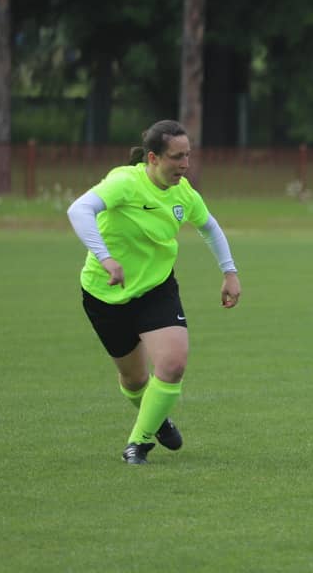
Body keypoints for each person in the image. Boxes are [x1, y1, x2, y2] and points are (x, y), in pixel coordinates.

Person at [67, 120, 241, 465]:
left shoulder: (184, 193)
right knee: (134, 380)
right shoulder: (125, 182)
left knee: (173, 364)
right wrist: (106, 258)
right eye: (177, 157)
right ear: (153, 158)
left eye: (188, 155)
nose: (185, 164)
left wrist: (230, 272)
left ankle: (138, 443)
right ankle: (157, 419)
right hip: (105, 293)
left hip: (157, 289)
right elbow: (79, 210)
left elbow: (209, 227)